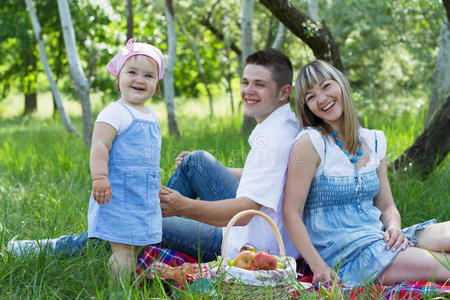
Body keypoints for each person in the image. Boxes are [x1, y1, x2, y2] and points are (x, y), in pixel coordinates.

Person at [7, 48, 301, 263]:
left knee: (136, 221)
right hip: (255, 224)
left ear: (284, 92)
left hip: (241, 240)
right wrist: (216, 167)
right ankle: (143, 212)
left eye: (259, 85)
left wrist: (183, 206)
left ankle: (59, 247)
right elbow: (266, 176)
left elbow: (244, 215)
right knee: (195, 160)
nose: (248, 90)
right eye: (245, 82)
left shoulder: (272, 139)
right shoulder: (284, 123)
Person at [282, 60, 450, 287]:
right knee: (444, 264)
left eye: (326, 86)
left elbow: (387, 206)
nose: (321, 98)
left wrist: (394, 227)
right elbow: (291, 213)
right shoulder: (311, 142)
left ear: (342, 84)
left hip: (380, 237)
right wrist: (318, 266)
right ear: (306, 107)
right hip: (349, 254)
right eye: (310, 97)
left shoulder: (374, 140)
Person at [88, 38, 165, 280]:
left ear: (156, 83)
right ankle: (117, 292)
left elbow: (146, 158)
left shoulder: (150, 115)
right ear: (118, 77)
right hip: (118, 193)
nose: (140, 80)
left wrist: (153, 183)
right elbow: (100, 145)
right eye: (132, 72)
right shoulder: (115, 111)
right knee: (122, 248)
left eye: (149, 76)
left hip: (142, 196)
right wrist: (100, 177)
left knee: (134, 248)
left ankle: (126, 285)